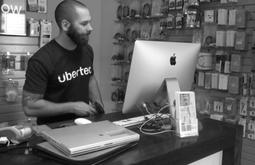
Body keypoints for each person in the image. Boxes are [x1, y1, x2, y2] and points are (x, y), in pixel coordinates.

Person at [22, 0, 104, 124]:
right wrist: (72, 107)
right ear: (65, 25)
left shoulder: (87, 50)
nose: (90, 28)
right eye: (84, 24)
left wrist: (100, 108)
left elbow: (90, 78)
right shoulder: (41, 60)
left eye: (89, 22)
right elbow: (29, 107)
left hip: (84, 126)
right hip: (53, 131)